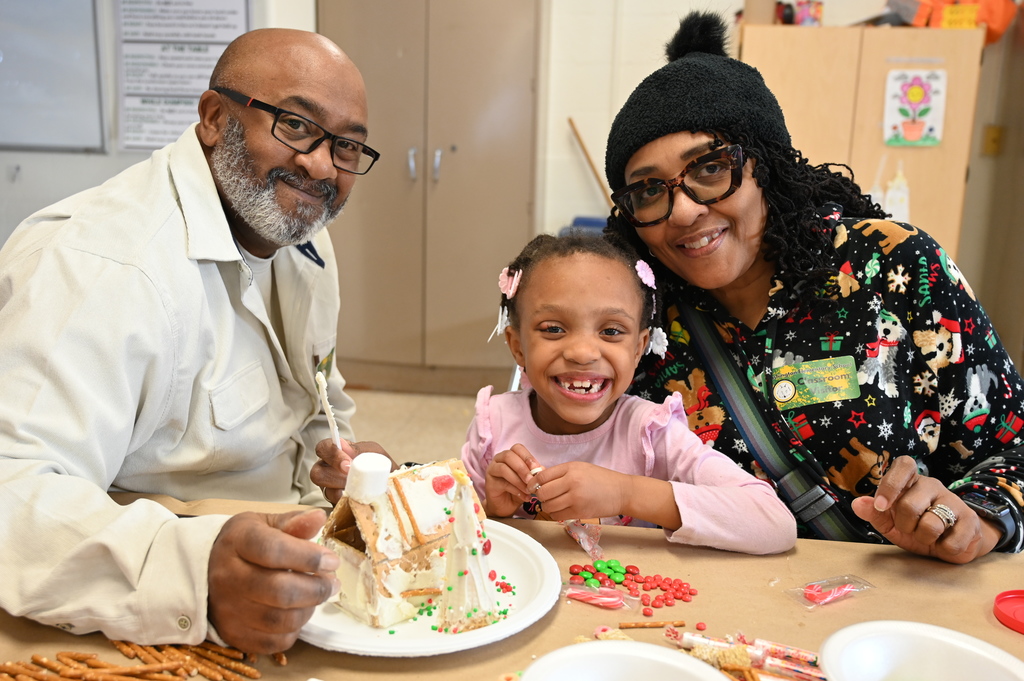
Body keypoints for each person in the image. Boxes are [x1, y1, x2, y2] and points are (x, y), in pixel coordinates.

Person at [0, 28, 385, 653]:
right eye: (295, 125)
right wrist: (195, 575)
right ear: (214, 118)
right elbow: (12, 494)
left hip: (302, 577)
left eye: (346, 146)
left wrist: (343, 465)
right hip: (169, 611)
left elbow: (321, 398)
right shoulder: (104, 266)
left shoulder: (301, 239)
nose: (321, 165)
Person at [602, 11, 1024, 564]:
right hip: (710, 604)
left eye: (709, 168)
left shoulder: (893, 267)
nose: (682, 211)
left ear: (767, 166)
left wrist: (976, 517)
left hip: (896, 601)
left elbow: (1014, 446)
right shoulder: (639, 315)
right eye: (649, 191)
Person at [460, 233, 797, 555]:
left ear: (638, 349)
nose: (583, 353)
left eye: (611, 331)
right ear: (517, 346)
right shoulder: (493, 426)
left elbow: (774, 523)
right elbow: (451, 539)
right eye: (554, 329)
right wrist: (493, 511)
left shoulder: (652, 433)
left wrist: (626, 493)